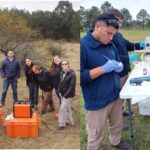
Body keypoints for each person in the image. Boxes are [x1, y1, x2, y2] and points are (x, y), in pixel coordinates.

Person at [80, 13, 129, 150]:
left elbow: (117, 59)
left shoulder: (110, 44)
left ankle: (116, 141)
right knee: (95, 134)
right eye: (109, 33)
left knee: (116, 123)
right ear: (97, 27)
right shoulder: (83, 46)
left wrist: (119, 66)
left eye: (113, 34)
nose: (111, 37)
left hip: (114, 94)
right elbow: (81, 77)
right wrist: (102, 69)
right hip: (97, 101)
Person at [107, 9, 144, 119]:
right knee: (117, 98)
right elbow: (113, 56)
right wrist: (128, 57)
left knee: (121, 97)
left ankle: (120, 112)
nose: (120, 24)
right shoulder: (109, 36)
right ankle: (117, 120)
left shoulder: (118, 35)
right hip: (116, 74)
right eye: (119, 21)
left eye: (121, 22)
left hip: (124, 72)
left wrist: (141, 45)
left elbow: (128, 45)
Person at [58, 60, 76, 129]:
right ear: (61, 65)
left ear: (68, 65)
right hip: (62, 94)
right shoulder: (61, 72)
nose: (64, 65)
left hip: (69, 95)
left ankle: (62, 124)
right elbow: (60, 82)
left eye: (66, 64)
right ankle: (69, 121)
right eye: (63, 64)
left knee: (62, 108)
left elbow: (72, 86)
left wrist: (65, 96)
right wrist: (59, 91)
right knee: (67, 107)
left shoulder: (72, 74)